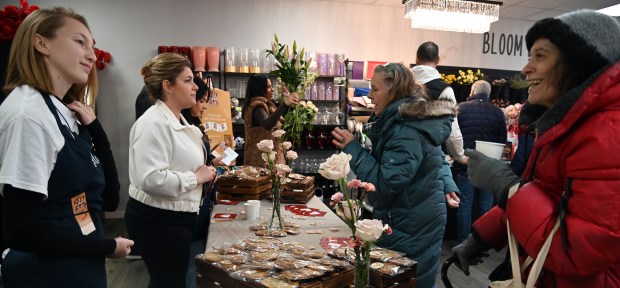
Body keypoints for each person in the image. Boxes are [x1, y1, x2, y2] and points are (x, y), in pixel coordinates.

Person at [451, 10, 620, 287]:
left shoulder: (608, 133)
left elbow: (578, 252)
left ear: (579, 62)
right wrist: (481, 237)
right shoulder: (563, 124)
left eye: (540, 56)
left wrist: (509, 189)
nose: (526, 68)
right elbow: (543, 192)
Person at [0, 7, 133, 286]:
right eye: (79, 42)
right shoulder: (30, 116)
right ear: (41, 43)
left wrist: (96, 129)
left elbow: (108, 199)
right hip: (47, 274)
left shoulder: (65, 112)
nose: (91, 55)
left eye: (92, 46)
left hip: (79, 266)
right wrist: (107, 247)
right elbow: (22, 231)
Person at [332, 62, 457, 288]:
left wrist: (354, 149)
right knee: (415, 277)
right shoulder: (411, 120)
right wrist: (448, 184)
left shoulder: (404, 128)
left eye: (375, 89)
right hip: (418, 214)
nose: (369, 95)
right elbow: (435, 157)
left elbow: (386, 185)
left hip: (409, 220)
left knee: (405, 278)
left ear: (394, 90)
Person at [125, 53, 218, 288]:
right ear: (167, 86)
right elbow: (151, 178)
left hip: (174, 218)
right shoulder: (154, 122)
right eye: (187, 80)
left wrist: (203, 172)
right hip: (158, 220)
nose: (195, 87)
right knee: (168, 282)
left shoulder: (177, 120)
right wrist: (195, 178)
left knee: (169, 281)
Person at [452, 80, 506, 243]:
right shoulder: (497, 113)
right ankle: (481, 243)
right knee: (485, 206)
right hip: (488, 169)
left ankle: (463, 241)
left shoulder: (460, 109)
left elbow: (452, 136)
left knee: (465, 205)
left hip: (466, 166)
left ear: (473, 90)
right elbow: (502, 141)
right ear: (488, 94)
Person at [413, 41, 463, 209]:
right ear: (438, 60)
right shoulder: (444, 90)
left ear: (416, 58)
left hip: (398, 155)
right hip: (430, 160)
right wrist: (460, 155)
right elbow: (452, 131)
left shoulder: (402, 85)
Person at [242, 74, 298, 167]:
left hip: (269, 160)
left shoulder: (266, 106)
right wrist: (284, 104)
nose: (272, 90)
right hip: (259, 162)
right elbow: (267, 124)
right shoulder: (257, 106)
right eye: (268, 87)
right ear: (259, 88)